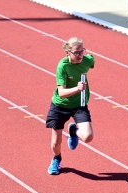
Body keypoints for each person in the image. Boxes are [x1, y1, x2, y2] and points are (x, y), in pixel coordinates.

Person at [46, 37, 95, 175]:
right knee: (56, 142)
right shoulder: (62, 66)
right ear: (68, 52)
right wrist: (77, 89)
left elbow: (91, 61)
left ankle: (73, 132)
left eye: (82, 51)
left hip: (79, 104)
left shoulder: (87, 60)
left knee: (88, 137)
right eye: (76, 52)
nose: (80, 55)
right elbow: (61, 92)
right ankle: (57, 158)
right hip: (60, 105)